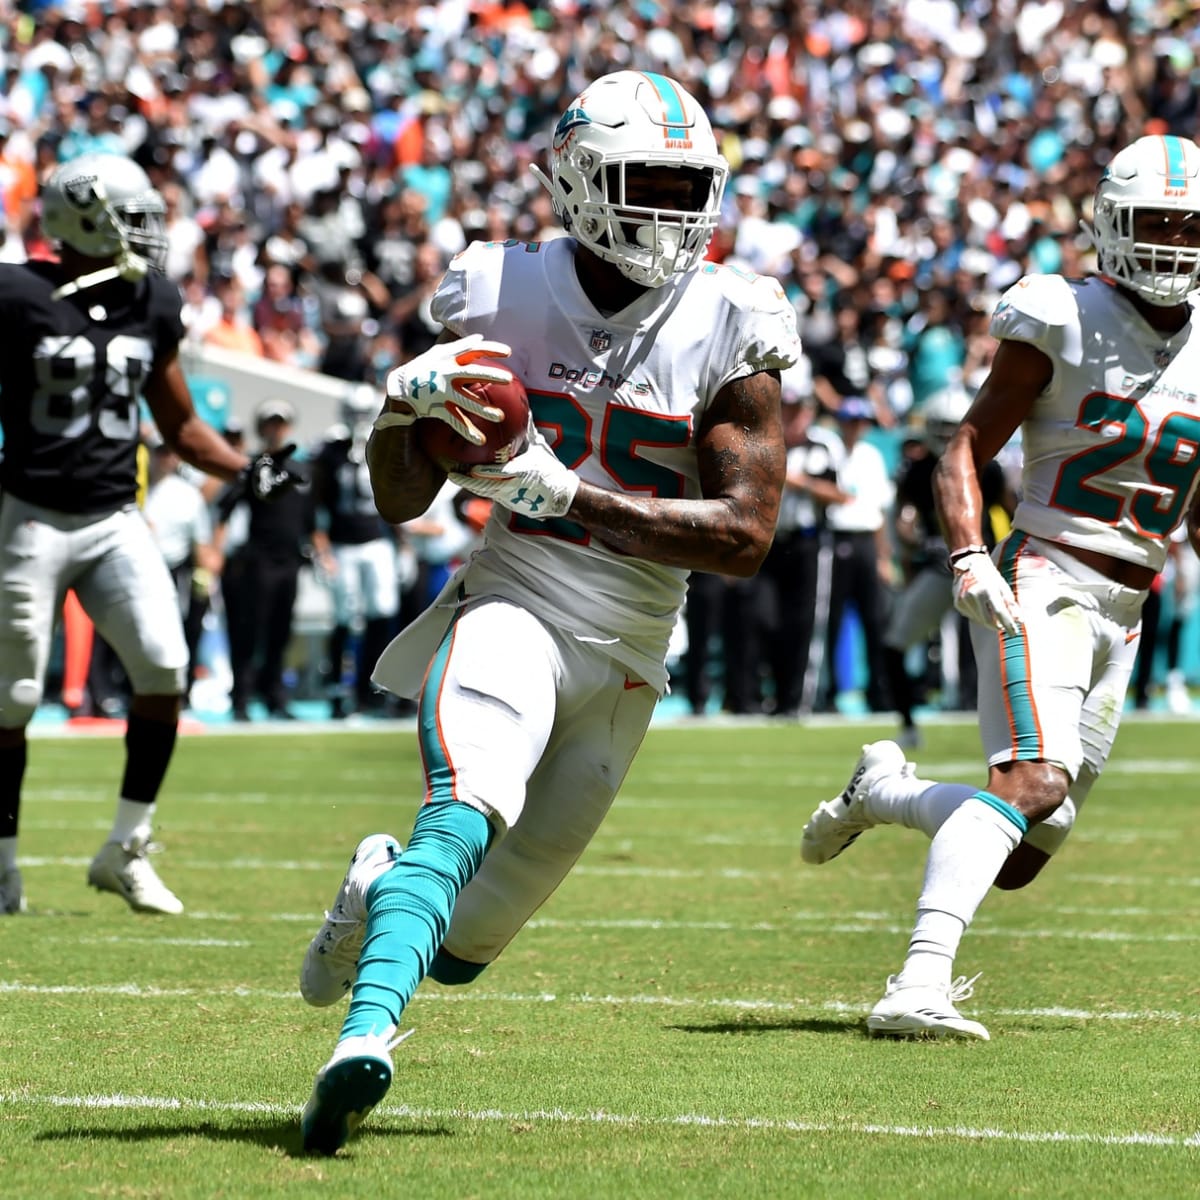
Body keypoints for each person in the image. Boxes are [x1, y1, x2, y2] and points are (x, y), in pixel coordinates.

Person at [297, 70, 801, 1154]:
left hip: (631, 646)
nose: (671, 212)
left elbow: (747, 538)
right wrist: (402, 409)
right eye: (646, 184)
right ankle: (364, 1036)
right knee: (465, 805)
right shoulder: (494, 291)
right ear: (577, 183)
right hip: (517, 599)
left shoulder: (731, 316)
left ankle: (376, 891)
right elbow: (398, 496)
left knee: (469, 943)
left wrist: (571, 491)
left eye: (688, 186)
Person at [800, 133, 1200, 1040]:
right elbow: (965, 449)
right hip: (1046, 576)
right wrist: (969, 554)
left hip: (1128, 609)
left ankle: (884, 795)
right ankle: (915, 984)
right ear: (1112, 225)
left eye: (1191, 226)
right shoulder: (1063, 314)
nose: (1176, 244)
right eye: (1158, 224)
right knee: (1030, 781)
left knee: (1023, 847)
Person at [0, 153, 301, 916]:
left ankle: (125, 849)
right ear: (80, 219)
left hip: (112, 517)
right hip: (29, 516)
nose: (144, 235)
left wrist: (246, 470)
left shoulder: (150, 301)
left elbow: (181, 425)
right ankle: (3, 864)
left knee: (165, 668)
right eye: (129, 219)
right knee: (15, 697)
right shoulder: (16, 294)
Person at [882, 385, 1014, 746]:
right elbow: (903, 519)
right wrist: (912, 547)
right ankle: (908, 725)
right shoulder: (917, 469)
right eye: (939, 427)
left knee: (1009, 647)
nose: (943, 436)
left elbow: (1012, 511)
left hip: (983, 570)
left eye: (950, 427)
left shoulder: (987, 467)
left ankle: (1014, 731)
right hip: (939, 570)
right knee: (894, 643)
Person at [215, 399, 314, 722]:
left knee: (280, 632)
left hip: (290, 562)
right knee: (249, 631)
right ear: (261, 428)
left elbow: (311, 520)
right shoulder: (254, 465)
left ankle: (275, 696)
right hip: (258, 561)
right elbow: (225, 510)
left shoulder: (301, 470)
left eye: (280, 423)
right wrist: (215, 551)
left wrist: (320, 552)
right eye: (270, 423)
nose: (276, 430)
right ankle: (241, 698)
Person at [310, 388, 400, 719]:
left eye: (365, 413)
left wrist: (400, 544)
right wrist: (320, 548)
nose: (360, 420)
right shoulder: (329, 452)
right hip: (342, 544)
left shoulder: (385, 444)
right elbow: (316, 503)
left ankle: (369, 688)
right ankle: (337, 688)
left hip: (377, 542)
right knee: (344, 618)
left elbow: (396, 498)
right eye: (354, 412)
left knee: (381, 611)